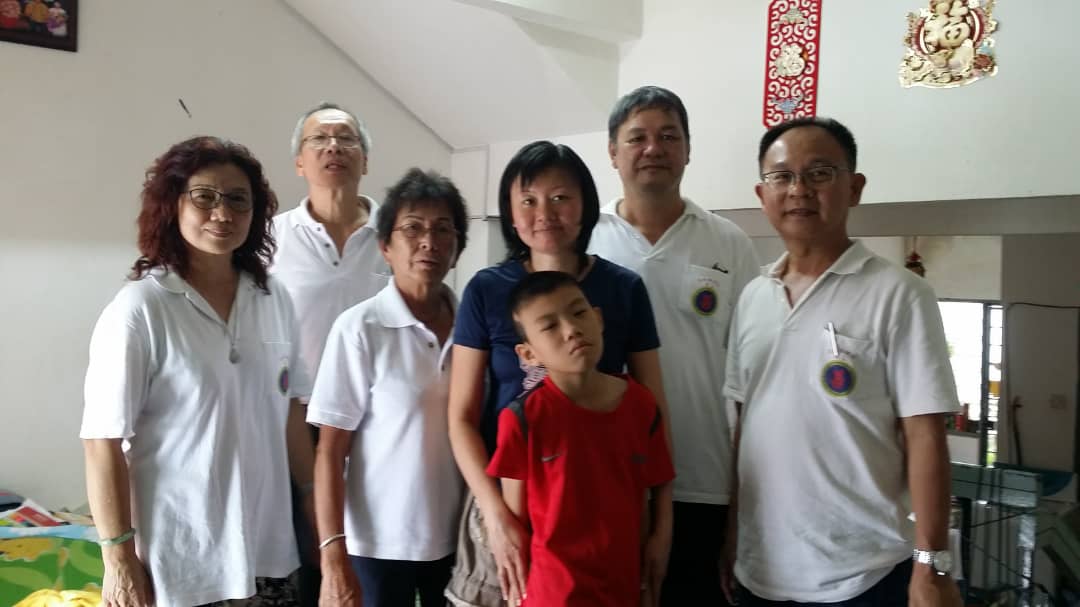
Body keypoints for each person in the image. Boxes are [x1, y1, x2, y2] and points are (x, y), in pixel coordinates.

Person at [722, 117, 962, 606]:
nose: (799, 190)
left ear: (854, 188)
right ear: (762, 195)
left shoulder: (899, 294)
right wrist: (732, 534)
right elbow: (745, 428)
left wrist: (931, 564)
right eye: (782, 176)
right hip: (758, 574)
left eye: (819, 173)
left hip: (864, 577)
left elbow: (925, 435)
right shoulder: (752, 297)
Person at [80, 136, 315, 607]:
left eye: (238, 199)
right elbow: (101, 441)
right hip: (180, 563)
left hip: (270, 555)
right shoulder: (140, 309)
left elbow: (291, 413)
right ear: (173, 204)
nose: (222, 213)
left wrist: (315, 508)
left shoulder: (274, 299)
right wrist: (118, 558)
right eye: (204, 196)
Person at [446, 141, 672, 607]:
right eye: (528, 200)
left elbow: (654, 414)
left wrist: (662, 526)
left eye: (560, 197)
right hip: (506, 496)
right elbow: (461, 418)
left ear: (585, 205)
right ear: (510, 214)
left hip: (599, 509)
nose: (544, 213)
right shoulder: (487, 289)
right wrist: (494, 514)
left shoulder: (623, 288)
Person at [587, 85, 759, 605]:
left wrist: (741, 498)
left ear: (687, 149)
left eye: (668, 136)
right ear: (612, 152)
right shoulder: (586, 239)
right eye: (636, 137)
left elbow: (750, 375)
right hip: (603, 477)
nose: (653, 149)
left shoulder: (728, 242)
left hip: (703, 480)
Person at [308, 168, 469, 607]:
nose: (428, 242)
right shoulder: (360, 328)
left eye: (443, 230)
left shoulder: (474, 329)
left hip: (458, 540)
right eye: (412, 229)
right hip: (377, 546)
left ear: (457, 248)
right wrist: (333, 555)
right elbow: (330, 450)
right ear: (385, 246)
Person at [487, 271, 675, 606]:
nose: (571, 329)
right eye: (550, 326)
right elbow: (517, 526)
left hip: (623, 589)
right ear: (528, 354)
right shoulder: (522, 419)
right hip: (552, 595)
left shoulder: (641, 406)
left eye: (578, 312)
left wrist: (658, 543)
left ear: (598, 318)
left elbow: (646, 498)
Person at [271, 101, 390, 603]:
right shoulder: (270, 238)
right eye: (318, 139)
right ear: (300, 161)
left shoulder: (397, 235)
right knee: (310, 563)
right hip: (299, 424)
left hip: (381, 425)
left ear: (365, 159)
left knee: (374, 565)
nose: (333, 147)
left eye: (346, 139)